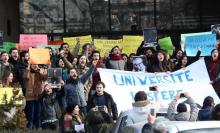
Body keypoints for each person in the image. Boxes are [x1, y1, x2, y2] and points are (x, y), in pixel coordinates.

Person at [23, 63, 48, 129]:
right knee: (30, 114)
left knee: (38, 113)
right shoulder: (28, 71)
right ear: (31, 65)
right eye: (33, 64)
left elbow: (45, 78)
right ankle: (30, 126)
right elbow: (25, 76)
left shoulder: (40, 71)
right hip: (30, 96)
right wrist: (28, 66)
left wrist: (40, 70)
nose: (35, 65)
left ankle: (38, 126)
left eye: (36, 64)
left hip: (38, 96)